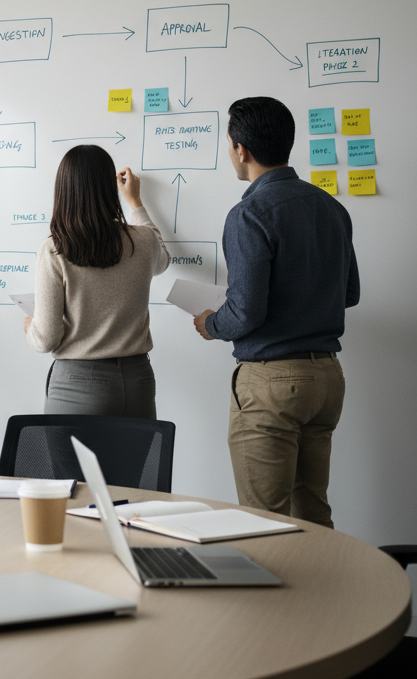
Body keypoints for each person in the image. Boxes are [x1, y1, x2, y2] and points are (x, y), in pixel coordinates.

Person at [193, 96, 359, 528]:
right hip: (326, 378)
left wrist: (211, 324)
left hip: (272, 382)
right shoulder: (333, 208)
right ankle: (325, 596)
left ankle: (278, 599)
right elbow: (350, 293)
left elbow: (245, 312)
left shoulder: (249, 213)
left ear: (240, 150)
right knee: (312, 513)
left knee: (262, 520)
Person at [24, 145, 170, 417]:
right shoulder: (144, 240)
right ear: (109, 187)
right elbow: (163, 260)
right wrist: (135, 203)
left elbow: (46, 338)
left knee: (72, 463)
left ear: (63, 191)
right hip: (137, 381)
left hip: (77, 385)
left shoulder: (54, 249)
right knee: (132, 462)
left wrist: (31, 326)